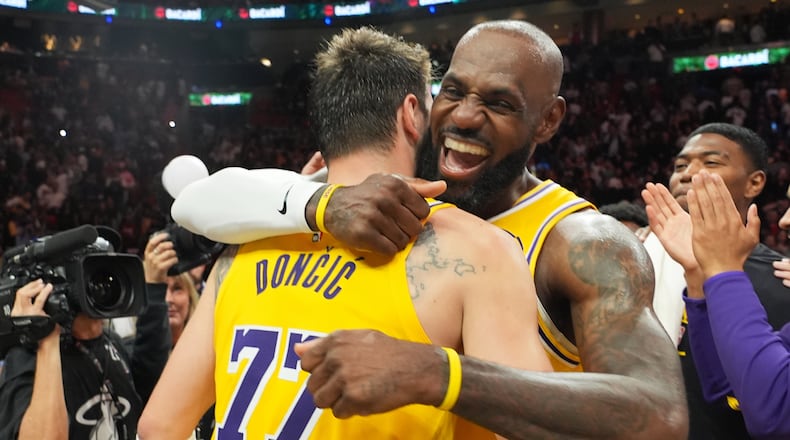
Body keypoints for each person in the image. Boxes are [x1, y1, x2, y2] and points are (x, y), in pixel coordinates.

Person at [172, 20, 687, 438]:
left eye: (499, 103)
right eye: (454, 92)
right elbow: (198, 201)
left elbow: (660, 415)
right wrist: (316, 203)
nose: (463, 117)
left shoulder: (580, 241)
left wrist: (437, 374)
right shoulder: (368, 196)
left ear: (548, 121)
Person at [138, 26, 552, 440]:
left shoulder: (248, 240)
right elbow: (538, 425)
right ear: (411, 113)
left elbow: (158, 427)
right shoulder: (478, 251)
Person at [642, 123, 790, 439]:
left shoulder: (780, 277)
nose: (687, 174)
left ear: (755, 183)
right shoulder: (639, 255)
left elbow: (774, 412)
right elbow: (725, 389)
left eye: (710, 163)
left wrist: (722, 270)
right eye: (680, 165)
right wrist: (698, 277)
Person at [0, 232, 170, 439]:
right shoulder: (27, 357)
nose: (104, 281)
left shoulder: (110, 342)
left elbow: (149, 390)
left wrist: (153, 289)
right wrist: (47, 340)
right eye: (90, 267)